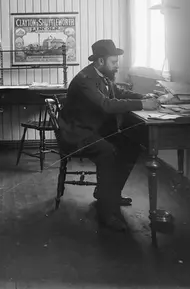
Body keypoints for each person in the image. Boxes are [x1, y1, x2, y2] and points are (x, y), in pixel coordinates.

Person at [57, 39, 160, 232]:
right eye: (114, 62)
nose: (117, 66)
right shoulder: (85, 79)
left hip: (93, 130)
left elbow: (118, 93)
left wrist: (142, 97)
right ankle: (106, 212)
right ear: (101, 61)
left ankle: (110, 194)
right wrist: (142, 105)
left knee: (132, 146)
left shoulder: (103, 76)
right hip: (77, 133)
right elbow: (106, 104)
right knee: (108, 152)